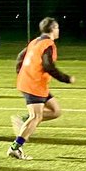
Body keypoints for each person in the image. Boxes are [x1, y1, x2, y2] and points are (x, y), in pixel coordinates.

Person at [8, 17, 75, 160]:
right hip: (34, 84)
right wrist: (66, 78)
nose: (58, 30)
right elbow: (48, 66)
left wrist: (22, 73)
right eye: (57, 27)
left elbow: (20, 57)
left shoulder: (35, 41)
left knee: (56, 111)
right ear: (52, 29)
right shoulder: (48, 44)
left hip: (34, 82)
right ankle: (15, 147)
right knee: (36, 116)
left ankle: (24, 119)